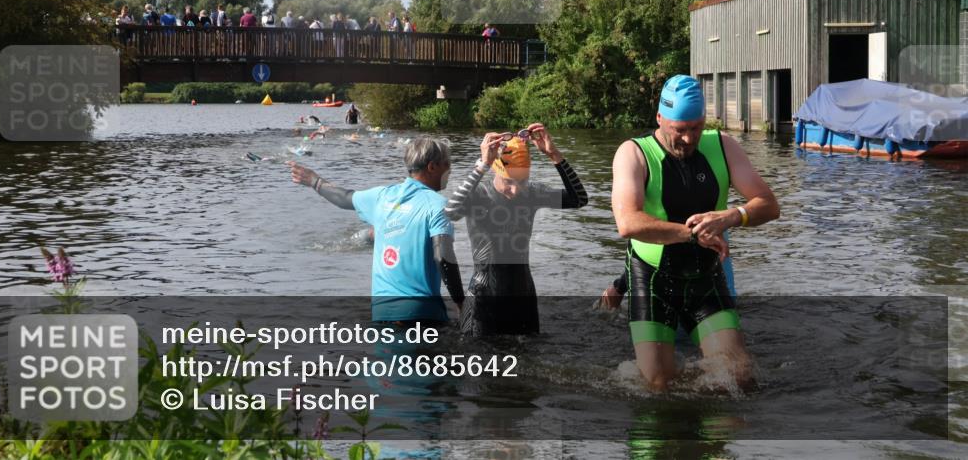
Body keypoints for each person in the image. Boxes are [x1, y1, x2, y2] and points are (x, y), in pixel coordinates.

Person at [605, 74, 779, 392]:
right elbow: (627, 223)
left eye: (696, 128)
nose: (688, 139)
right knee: (658, 384)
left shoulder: (723, 146)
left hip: (705, 277)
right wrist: (694, 234)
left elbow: (768, 204)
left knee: (739, 378)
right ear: (660, 118)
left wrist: (733, 216)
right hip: (654, 280)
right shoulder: (633, 153)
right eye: (679, 131)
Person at [290, 137, 464, 324]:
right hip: (422, 311)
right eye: (447, 164)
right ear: (432, 167)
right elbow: (443, 257)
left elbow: (344, 198)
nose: (450, 170)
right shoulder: (437, 205)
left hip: (382, 311)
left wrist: (315, 181)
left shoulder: (382, 197)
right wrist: (461, 302)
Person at [444, 124, 587, 336]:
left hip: (523, 295)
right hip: (483, 297)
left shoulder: (532, 193)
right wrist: (482, 164)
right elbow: (451, 212)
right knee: (477, 362)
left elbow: (579, 199)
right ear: (496, 171)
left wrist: (554, 154)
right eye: (508, 182)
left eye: (522, 181)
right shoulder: (478, 195)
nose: (515, 190)